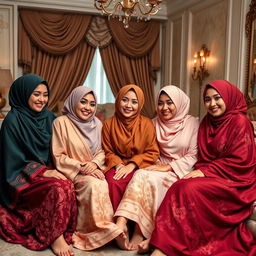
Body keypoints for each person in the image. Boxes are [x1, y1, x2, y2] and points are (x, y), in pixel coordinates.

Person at [150, 80, 256, 256]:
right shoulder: (208, 121)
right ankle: (162, 242)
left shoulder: (240, 122)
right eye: (207, 99)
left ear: (228, 98)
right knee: (180, 186)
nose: (212, 104)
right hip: (214, 176)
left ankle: (162, 245)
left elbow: (240, 161)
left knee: (187, 188)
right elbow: (204, 155)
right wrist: (202, 171)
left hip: (236, 181)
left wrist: (204, 172)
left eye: (217, 98)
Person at [114, 85, 199, 252]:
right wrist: (155, 164)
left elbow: (194, 154)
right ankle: (123, 223)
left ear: (179, 103)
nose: (164, 108)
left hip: (181, 171)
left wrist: (169, 167)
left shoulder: (192, 123)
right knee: (141, 174)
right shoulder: (153, 123)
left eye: (169, 103)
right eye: (160, 103)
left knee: (148, 178)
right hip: (156, 166)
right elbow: (149, 150)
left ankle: (140, 232)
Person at [0, 74, 77, 256]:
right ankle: (55, 236)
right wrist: (42, 172)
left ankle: (61, 229)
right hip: (20, 177)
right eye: (36, 94)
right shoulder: (12, 120)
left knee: (68, 184)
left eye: (45, 94)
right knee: (58, 188)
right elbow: (12, 160)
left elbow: (61, 146)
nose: (42, 99)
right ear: (24, 93)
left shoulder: (49, 117)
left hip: (48, 170)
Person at [51, 86, 123, 251]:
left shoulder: (97, 123)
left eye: (92, 104)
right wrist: (82, 167)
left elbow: (103, 150)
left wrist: (95, 164)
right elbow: (58, 155)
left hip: (95, 169)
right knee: (94, 184)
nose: (87, 107)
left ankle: (109, 229)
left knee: (105, 182)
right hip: (73, 172)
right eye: (83, 102)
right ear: (74, 101)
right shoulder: (60, 123)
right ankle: (97, 232)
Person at [101, 84, 160, 249]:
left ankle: (135, 228)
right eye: (125, 100)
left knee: (136, 182)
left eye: (134, 102)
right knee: (113, 182)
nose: (128, 105)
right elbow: (108, 150)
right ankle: (118, 229)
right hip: (117, 164)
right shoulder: (108, 124)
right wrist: (119, 164)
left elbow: (152, 152)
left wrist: (132, 164)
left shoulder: (147, 124)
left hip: (140, 165)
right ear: (118, 100)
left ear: (140, 104)